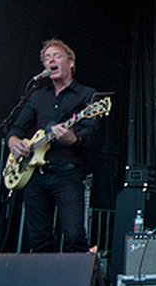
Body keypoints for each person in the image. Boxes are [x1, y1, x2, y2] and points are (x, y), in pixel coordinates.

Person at [7, 39, 99, 252]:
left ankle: (75, 274)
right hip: (35, 175)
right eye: (47, 58)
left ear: (71, 62)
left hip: (67, 174)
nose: (51, 61)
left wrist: (73, 138)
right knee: (38, 238)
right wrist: (14, 142)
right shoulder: (38, 96)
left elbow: (91, 131)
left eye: (56, 56)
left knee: (74, 235)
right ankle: (43, 274)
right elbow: (16, 128)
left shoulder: (86, 95)